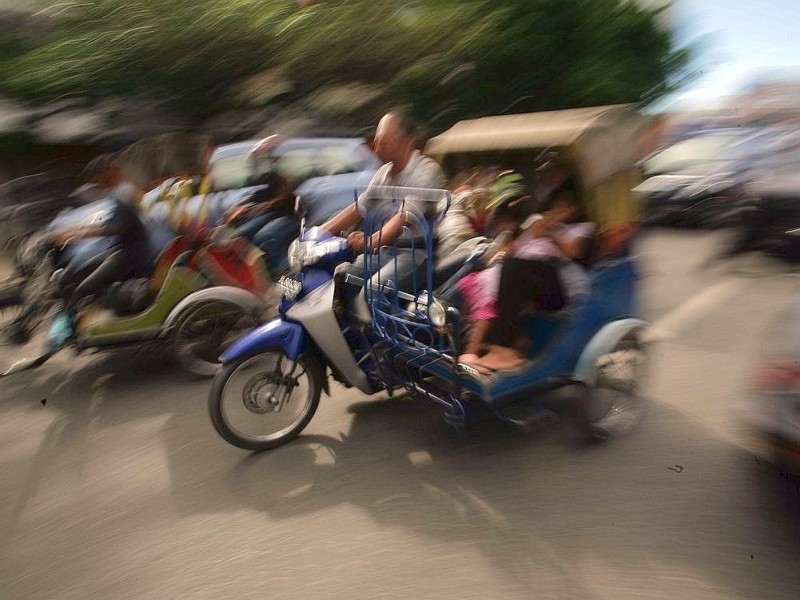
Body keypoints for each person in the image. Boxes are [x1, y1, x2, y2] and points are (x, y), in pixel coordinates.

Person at [465, 159, 594, 373]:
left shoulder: (581, 228)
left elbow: (573, 251)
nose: (560, 210)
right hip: (532, 276)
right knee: (487, 272)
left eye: (565, 206)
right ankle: (490, 342)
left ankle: (505, 349)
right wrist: (527, 234)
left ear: (575, 208)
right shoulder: (538, 223)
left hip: (559, 287)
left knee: (514, 268)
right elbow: (515, 247)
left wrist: (552, 230)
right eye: (558, 206)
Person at [321, 111, 449, 284]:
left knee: (376, 291)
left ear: (407, 140)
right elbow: (359, 208)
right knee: (343, 277)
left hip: (417, 254)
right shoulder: (383, 173)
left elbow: (404, 218)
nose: (377, 146)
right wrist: (319, 232)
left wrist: (369, 242)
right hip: (387, 250)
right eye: (378, 140)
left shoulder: (426, 172)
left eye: (384, 141)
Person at [54, 154, 151, 309]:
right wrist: (75, 230)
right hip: (122, 250)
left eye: (98, 177)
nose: (96, 183)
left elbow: (115, 228)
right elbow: (107, 221)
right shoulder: (117, 192)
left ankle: (122, 303)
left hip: (133, 254)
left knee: (84, 289)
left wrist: (78, 235)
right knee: (78, 270)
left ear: (109, 172)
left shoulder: (125, 192)